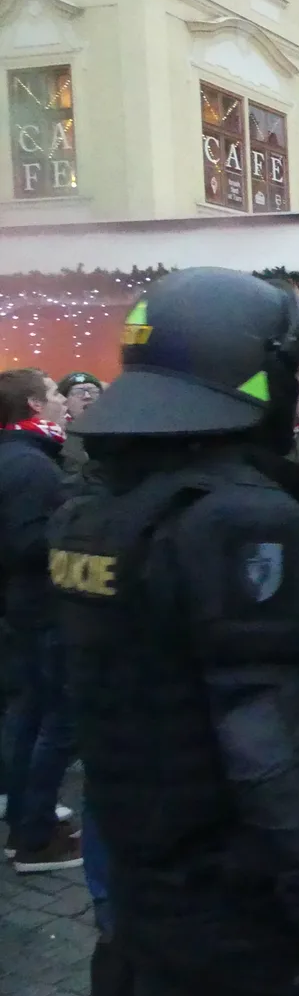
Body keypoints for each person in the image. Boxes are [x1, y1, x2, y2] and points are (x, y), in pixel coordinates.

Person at [50, 268, 299, 996]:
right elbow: (275, 756)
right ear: (251, 379)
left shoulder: (98, 511)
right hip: (255, 894)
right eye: (289, 375)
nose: (298, 393)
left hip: (156, 883)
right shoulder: (239, 519)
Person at [0, 368, 81, 871]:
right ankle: (34, 838)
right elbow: (28, 545)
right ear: (34, 403)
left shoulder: (24, 457)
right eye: (54, 392)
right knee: (58, 721)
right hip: (43, 608)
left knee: (29, 715)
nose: (61, 401)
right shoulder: (30, 467)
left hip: (24, 608)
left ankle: (27, 816)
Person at [57, 371, 101, 477]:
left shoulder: (115, 430)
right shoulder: (58, 436)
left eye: (93, 391)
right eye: (78, 392)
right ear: (64, 401)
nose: (87, 396)